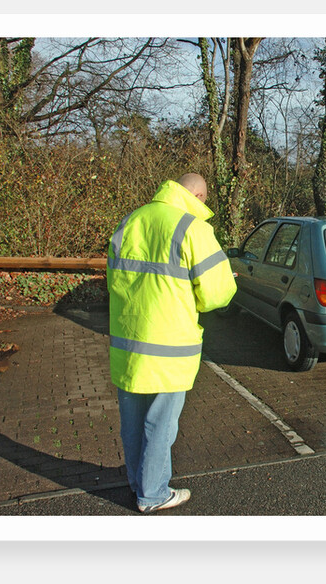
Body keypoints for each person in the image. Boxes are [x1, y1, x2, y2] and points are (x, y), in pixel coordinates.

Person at [107, 173, 237, 513]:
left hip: (128, 343)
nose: (204, 205)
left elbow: (112, 282)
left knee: (133, 420)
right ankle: (153, 494)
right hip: (169, 345)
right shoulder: (193, 228)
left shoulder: (130, 221)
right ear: (196, 194)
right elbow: (215, 294)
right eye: (204, 199)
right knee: (161, 422)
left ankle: (138, 484)